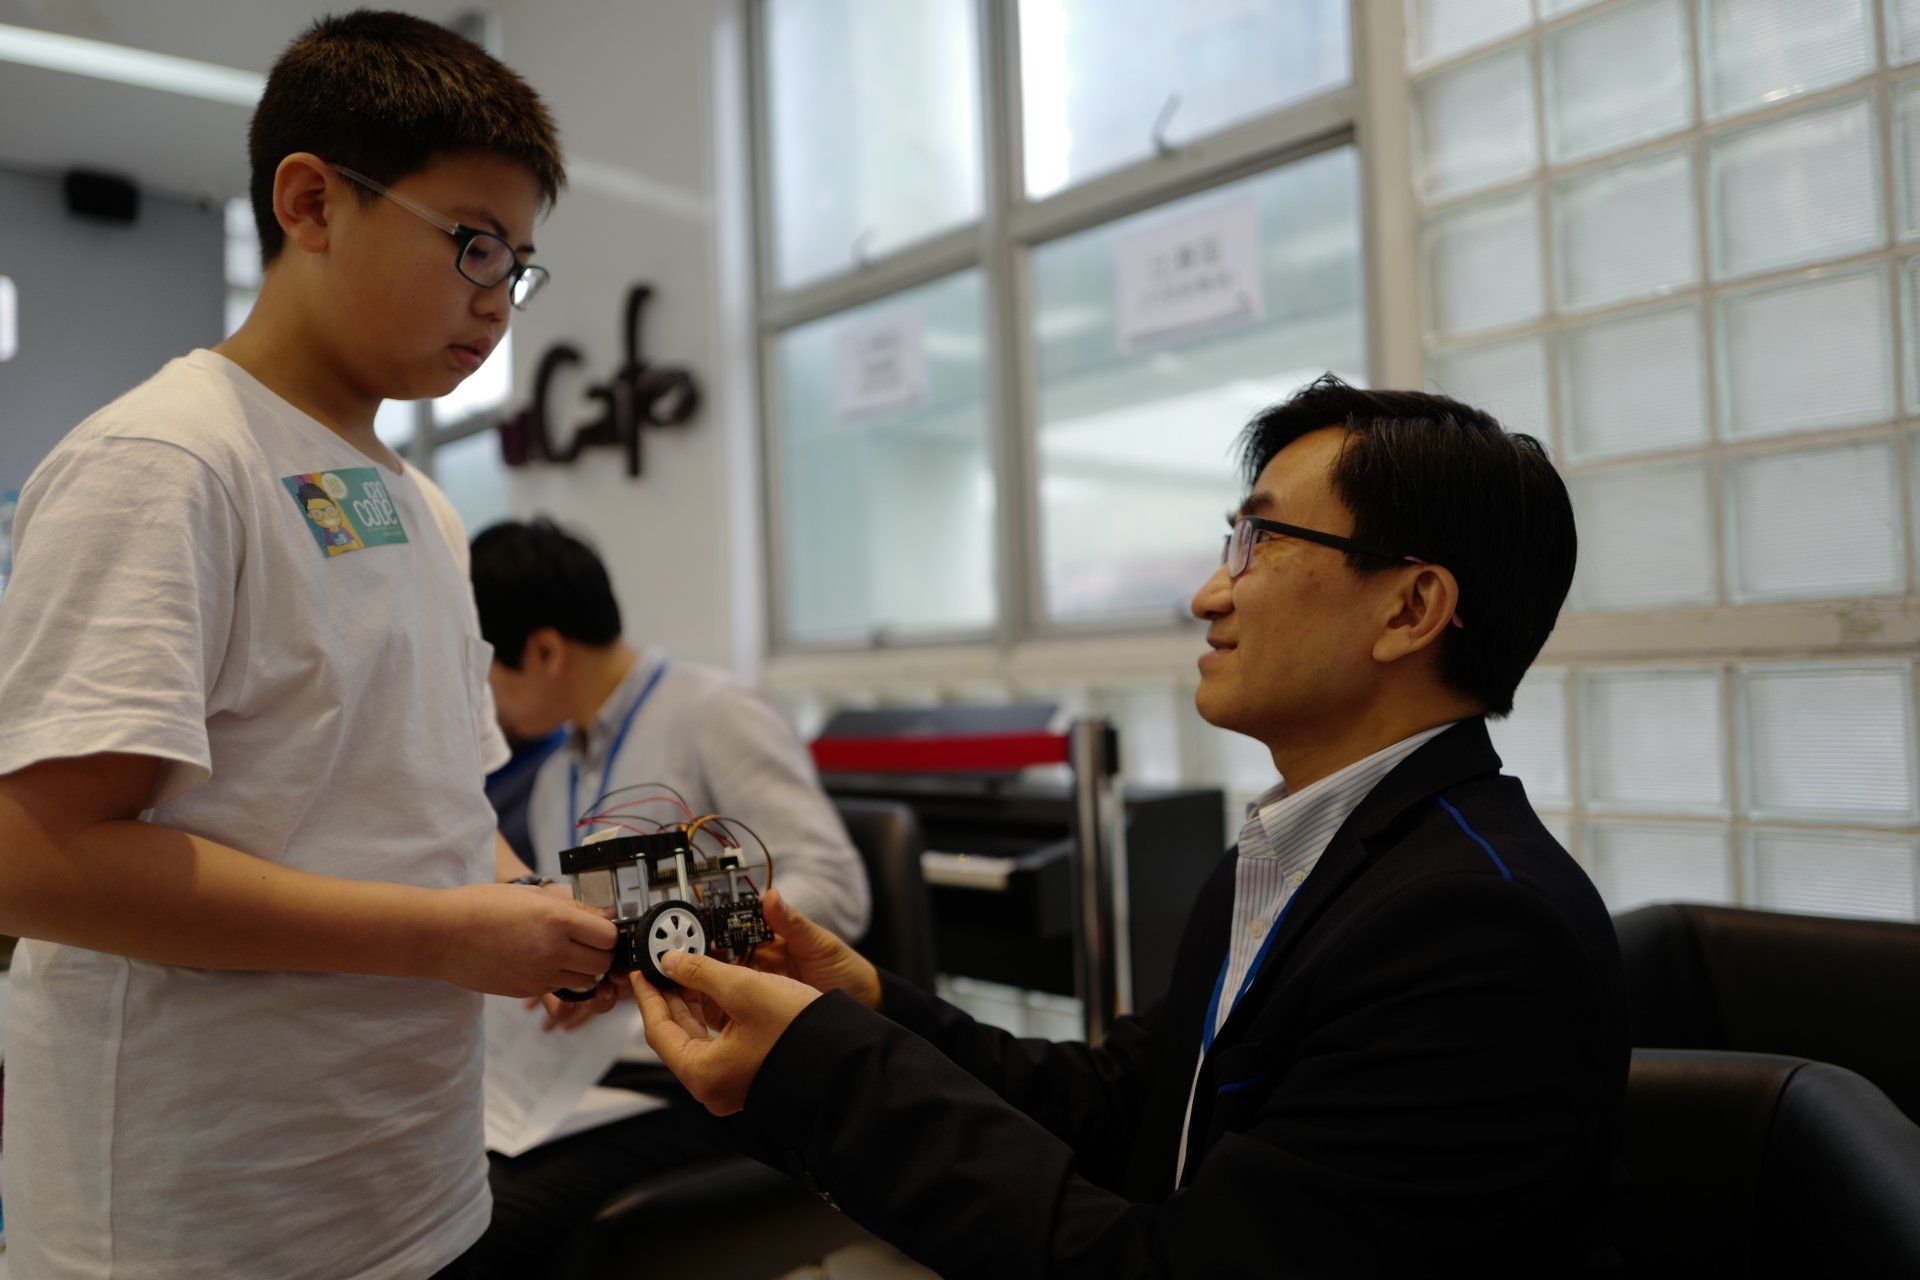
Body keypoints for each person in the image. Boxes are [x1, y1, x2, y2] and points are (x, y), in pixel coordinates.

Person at [633, 376, 1628, 1277]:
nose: (1209, 593)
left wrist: (823, 1070)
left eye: (1262, 541)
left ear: (1411, 608)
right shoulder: (1293, 854)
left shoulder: (1477, 928)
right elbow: (1125, 1108)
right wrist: (864, 1007)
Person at [0, 13, 616, 1279]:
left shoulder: (424, 506)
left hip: (411, 1183)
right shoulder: (170, 460)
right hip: (206, 1219)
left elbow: (432, 811)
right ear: (312, 202)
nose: (495, 299)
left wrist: (536, 915)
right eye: (472, 243)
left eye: (518, 265)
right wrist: (440, 937)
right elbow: (34, 861)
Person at [465, 516, 871, 1276]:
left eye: (488, 674)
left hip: (718, 1073)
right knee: (444, 1181)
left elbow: (835, 889)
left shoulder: (714, 713)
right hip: (609, 1069)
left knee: (482, 1224)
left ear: (545, 651)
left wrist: (669, 948)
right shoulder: (558, 772)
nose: (486, 702)